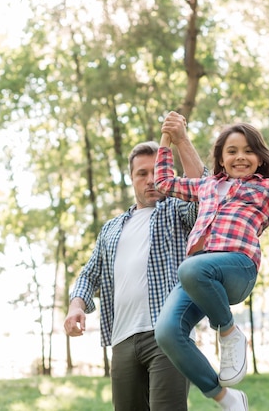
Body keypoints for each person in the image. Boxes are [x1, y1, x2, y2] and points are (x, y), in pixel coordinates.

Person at [153, 119, 269, 410]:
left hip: (238, 268)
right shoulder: (207, 186)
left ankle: (228, 331)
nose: (240, 156)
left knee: (189, 268)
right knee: (166, 332)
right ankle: (225, 397)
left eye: (248, 151)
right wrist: (166, 139)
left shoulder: (268, 189)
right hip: (198, 277)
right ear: (221, 159)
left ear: (260, 158)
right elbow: (163, 183)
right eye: (232, 151)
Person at [63, 111, 206, 411]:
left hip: (168, 335)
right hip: (123, 339)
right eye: (142, 173)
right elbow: (90, 275)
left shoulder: (176, 211)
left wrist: (181, 140)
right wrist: (76, 306)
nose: (152, 179)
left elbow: (203, 194)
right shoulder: (112, 228)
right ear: (131, 179)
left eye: (157, 170)